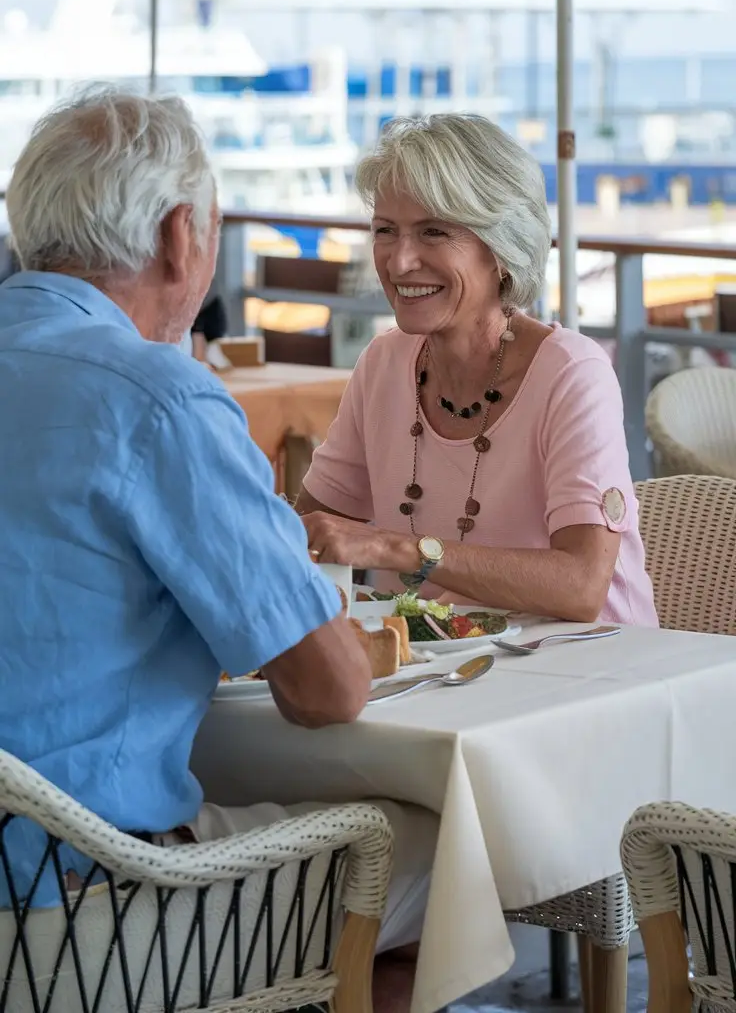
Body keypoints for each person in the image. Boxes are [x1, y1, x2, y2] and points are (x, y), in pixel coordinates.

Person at [0, 90, 437, 1003]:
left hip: (40, 868)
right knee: (441, 853)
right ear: (178, 237)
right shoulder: (155, 397)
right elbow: (328, 691)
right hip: (77, 914)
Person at [298, 113, 658, 628]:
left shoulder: (572, 373)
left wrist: (396, 549)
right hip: (445, 672)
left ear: (503, 250)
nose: (399, 262)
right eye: (385, 231)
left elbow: (581, 586)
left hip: (594, 671)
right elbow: (313, 529)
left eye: (433, 232)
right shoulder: (383, 362)